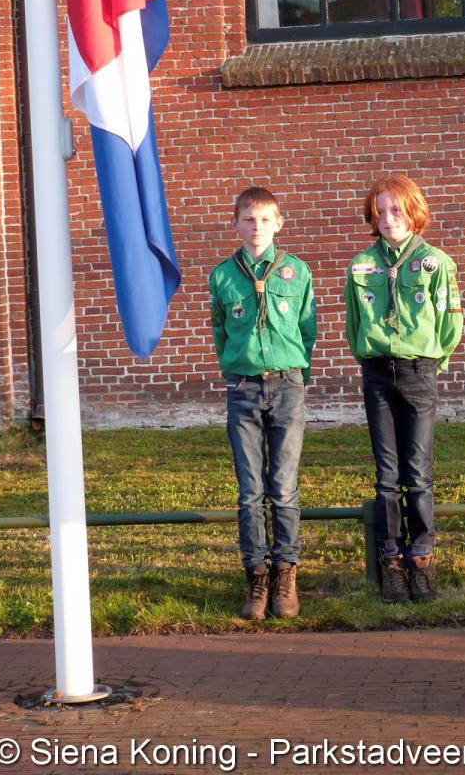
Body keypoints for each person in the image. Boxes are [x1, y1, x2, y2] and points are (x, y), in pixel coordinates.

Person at [344, 175, 463, 603]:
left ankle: (422, 559)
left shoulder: (436, 263)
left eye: (396, 209)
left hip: (419, 371)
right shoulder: (361, 264)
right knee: (387, 474)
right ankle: (392, 560)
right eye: (380, 211)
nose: (388, 218)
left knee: (418, 471)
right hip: (378, 373)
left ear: (413, 211)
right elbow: (353, 323)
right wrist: (370, 359)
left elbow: (450, 323)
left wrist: (431, 363)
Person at [209, 187, 316, 620]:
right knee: (250, 490)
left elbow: (307, 329)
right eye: (249, 220)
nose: (257, 227)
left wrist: (296, 376)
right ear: (235, 224)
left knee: (284, 487)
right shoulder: (223, 276)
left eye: (265, 220)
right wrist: (237, 368)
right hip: (244, 389)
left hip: (287, 386)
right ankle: (257, 575)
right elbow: (220, 331)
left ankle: (286, 573)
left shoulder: (297, 271)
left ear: (279, 224)